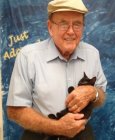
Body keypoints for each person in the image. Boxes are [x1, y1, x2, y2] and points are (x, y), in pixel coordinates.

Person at [7, 0, 107, 139]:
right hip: (40, 134)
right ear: (50, 27)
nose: (71, 31)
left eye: (77, 24)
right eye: (63, 24)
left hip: (81, 133)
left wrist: (93, 92)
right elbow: (15, 110)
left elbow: (101, 95)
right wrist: (58, 128)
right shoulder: (28, 56)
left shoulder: (92, 54)